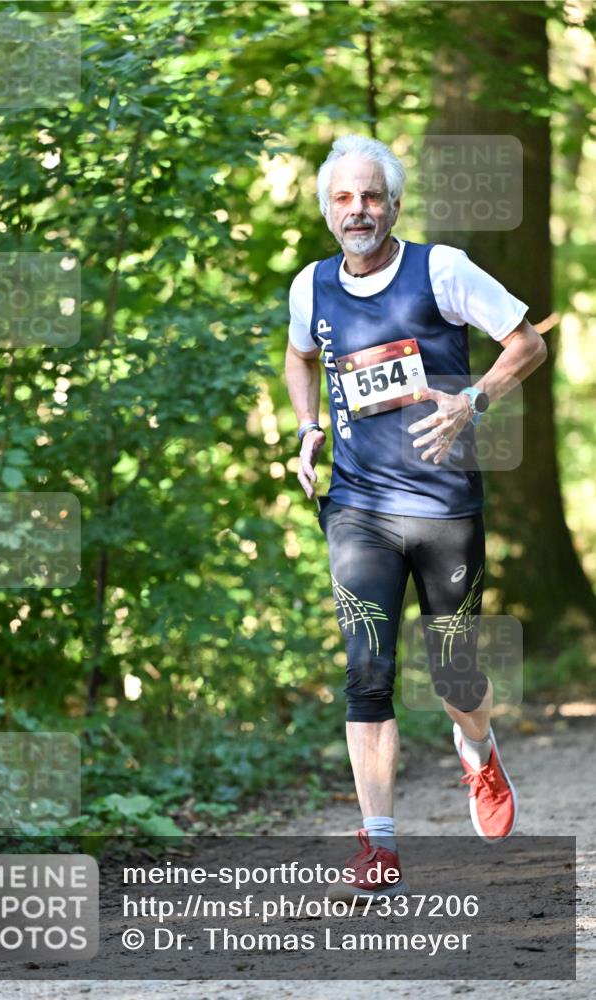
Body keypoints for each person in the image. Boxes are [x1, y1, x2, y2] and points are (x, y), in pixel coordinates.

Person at [284, 134, 547, 899]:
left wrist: (471, 401)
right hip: (357, 507)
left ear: (393, 204)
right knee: (366, 671)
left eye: (371, 196)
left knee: (454, 672)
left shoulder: (443, 270)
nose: (357, 209)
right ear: (328, 210)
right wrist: (308, 428)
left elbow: (524, 343)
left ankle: (479, 750)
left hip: (443, 508)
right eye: (343, 198)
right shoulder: (310, 287)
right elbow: (300, 356)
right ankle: (378, 842)